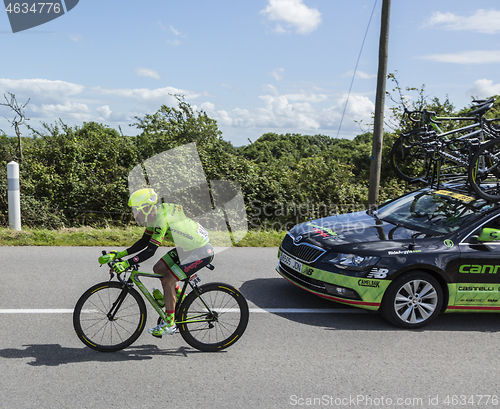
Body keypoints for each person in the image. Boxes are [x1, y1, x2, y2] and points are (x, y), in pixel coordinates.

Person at [108, 188, 214, 337]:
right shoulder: (152, 218)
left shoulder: (161, 219)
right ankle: (179, 300)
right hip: (186, 249)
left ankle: (170, 324)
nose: (134, 214)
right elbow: (144, 242)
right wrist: (121, 254)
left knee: (167, 281)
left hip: (200, 252)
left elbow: (150, 250)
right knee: (158, 268)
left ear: (146, 208)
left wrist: (126, 264)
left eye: (136, 210)